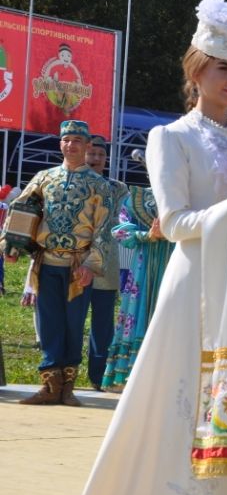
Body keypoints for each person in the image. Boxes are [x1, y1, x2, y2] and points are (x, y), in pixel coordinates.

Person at [43, 0, 227, 495]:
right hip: (193, 288)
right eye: (223, 68)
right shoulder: (170, 138)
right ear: (196, 71)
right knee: (174, 414)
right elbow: (174, 220)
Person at [1, 120, 111, 406]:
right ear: (60, 143)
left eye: (77, 140)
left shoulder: (99, 185)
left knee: (73, 324)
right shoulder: (43, 177)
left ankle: (67, 388)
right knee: (49, 323)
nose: (70, 144)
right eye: (66, 139)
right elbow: (20, 210)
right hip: (46, 262)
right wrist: (11, 246)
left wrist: (92, 264)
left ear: (87, 145)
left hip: (78, 266)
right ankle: (49, 385)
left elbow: (104, 229)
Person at [100, 186, 174, 390]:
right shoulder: (137, 197)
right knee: (140, 310)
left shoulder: (191, 192)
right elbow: (121, 229)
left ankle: (170, 375)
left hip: (180, 261)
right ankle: (129, 375)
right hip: (144, 263)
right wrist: (147, 234)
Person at [84, 135, 129, 390]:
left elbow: (124, 221)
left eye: (100, 155)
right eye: (92, 154)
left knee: (102, 324)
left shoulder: (118, 188)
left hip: (107, 266)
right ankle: (62, 374)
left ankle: (99, 377)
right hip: (75, 262)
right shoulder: (75, 184)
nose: (96, 159)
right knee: (72, 320)